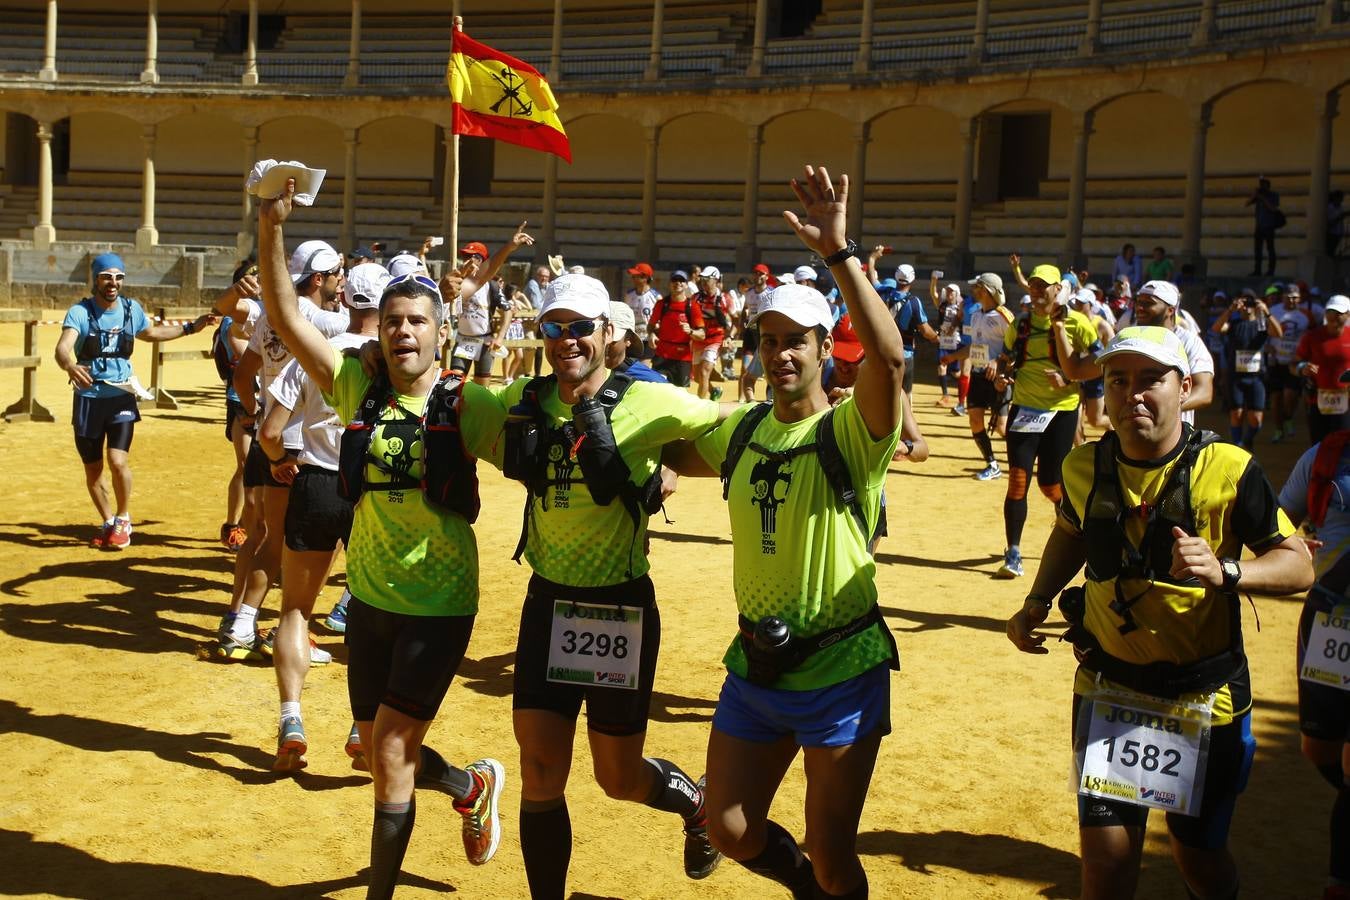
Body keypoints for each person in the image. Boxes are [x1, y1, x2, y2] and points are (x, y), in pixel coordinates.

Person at [256, 177, 506, 897]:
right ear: (379, 329)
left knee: (392, 746)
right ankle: (468, 784)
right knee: (376, 751)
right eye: (393, 320)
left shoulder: (470, 403)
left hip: (439, 602)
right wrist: (271, 224)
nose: (403, 331)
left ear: (441, 331)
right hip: (367, 599)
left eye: (418, 321)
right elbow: (285, 316)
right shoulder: (355, 387)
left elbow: (544, 431)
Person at [664, 164, 905, 900]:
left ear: (825, 344)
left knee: (835, 851)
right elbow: (669, 450)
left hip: (840, 669)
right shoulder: (739, 430)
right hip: (758, 668)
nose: (781, 355)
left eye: (796, 340)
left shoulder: (851, 431)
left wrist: (839, 254)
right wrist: (652, 467)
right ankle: (805, 889)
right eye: (768, 341)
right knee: (729, 828)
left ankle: (824, 886)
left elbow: (892, 361)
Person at [1007, 325, 1312, 900]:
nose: (1132, 394)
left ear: (1186, 388)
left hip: (1204, 696)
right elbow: (1070, 534)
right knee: (1105, 862)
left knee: (1198, 856)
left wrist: (1229, 572)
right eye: (1118, 381)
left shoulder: (1228, 468)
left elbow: (1297, 565)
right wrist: (1036, 600)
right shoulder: (1081, 467)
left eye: (1151, 379)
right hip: (1108, 688)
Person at [488, 273, 726, 898]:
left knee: (617, 778)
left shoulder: (649, 400)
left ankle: (696, 806)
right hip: (547, 598)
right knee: (540, 769)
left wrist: (672, 461)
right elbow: (445, 400)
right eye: (553, 327)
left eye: (579, 327)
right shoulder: (524, 397)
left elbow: (728, 426)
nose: (565, 339)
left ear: (609, 333)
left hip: (617, 609)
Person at [257, 261, 387, 772]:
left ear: (346, 298)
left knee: (295, 610)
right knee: (374, 615)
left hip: (313, 483)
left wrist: (277, 462)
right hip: (372, 492)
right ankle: (362, 725)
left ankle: (291, 716)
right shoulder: (393, 362)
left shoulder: (317, 356)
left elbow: (270, 431)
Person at [215, 240, 351, 661]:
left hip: (267, 437)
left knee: (266, 536)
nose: (340, 282)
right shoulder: (323, 322)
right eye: (335, 275)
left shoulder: (273, 315)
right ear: (318, 278)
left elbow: (243, 377)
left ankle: (239, 621)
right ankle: (291, 629)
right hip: (299, 446)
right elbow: (364, 324)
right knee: (313, 544)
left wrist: (254, 418)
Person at [54, 252, 215, 549]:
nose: (113, 282)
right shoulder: (80, 312)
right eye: (106, 276)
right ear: (96, 279)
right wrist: (70, 365)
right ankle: (108, 521)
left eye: (118, 277)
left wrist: (191, 327)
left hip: (122, 395)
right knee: (93, 469)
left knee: (118, 460)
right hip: (89, 399)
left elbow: (151, 332)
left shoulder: (131, 309)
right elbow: (63, 347)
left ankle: (124, 518)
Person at [993, 263, 1102, 578]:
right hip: (1024, 410)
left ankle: (1070, 530)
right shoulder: (1021, 324)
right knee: (1017, 482)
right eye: (1034, 284)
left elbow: (1098, 362)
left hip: (1061, 413)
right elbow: (1006, 360)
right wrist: (1001, 378)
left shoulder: (1078, 323)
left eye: (1044, 285)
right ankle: (1013, 552)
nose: (1037, 290)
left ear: (1058, 289)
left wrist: (1069, 381)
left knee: (1051, 484)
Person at [1277, 431, 1350, 900]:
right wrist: (1292, 545)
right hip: (1331, 621)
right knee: (1319, 749)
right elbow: (1280, 518)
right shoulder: (1326, 456)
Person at [947, 272, 1015, 480]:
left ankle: (1024, 459)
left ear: (985, 290)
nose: (972, 291)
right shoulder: (976, 314)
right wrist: (951, 358)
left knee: (1003, 428)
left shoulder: (1005, 316)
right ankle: (992, 464)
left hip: (998, 380)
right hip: (978, 376)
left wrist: (998, 363)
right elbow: (974, 347)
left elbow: (1017, 347)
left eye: (976, 287)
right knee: (975, 421)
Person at [450, 228, 533, 386]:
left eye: (472, 257)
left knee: (482, 389)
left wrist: (500, 337)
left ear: (482, 261)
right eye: (465, 256)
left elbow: (507, 311)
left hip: (484, 342)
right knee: (453, 384)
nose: (467, 260)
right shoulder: (457, 281)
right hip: (462, 341)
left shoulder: (492, 286)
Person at [1126, 281, 1215, 428]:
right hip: (1132, 432)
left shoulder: (1188, 341)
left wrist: (1163, 407)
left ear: (1170, 310)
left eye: (1149, 303)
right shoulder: (1128, 337)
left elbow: (1204, 392)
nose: (1139, 308)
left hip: (1175, 438)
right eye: (1139, 302)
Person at [1210, 291, 1281, 450]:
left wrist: (1267, 312)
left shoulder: (1262, 325)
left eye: (1251, 303)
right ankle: (1238, 445)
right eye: (1245, 302)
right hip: (1236, 376)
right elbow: (1216, 328)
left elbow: (1278, 333)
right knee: (1237, 414)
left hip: (1256, 377)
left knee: (1256, 418)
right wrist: (1230, 310)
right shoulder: (1234, 324)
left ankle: (1248, 439)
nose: (1248, 306)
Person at [868, 252, 936, 395]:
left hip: (882, 350)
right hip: (904, 353)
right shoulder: (914, 302)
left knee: (882, 391)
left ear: (896, 277)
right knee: (904, 393)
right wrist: (937, 338)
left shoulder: (883, 292)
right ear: (912, 279)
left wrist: (872, 258)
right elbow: (925, 330)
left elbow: (872, 279)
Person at [1296, 295, 1350, 445]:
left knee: (1343, 443)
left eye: (1338, 313)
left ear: (1348, 315)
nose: (1333, 317)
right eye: (1330, 312)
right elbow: (1295, 363)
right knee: (1319, 444)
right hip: (1317, 400)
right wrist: (1302, 369)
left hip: (1346, 401)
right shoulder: (1312, 337)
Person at [1068, 288, 1115, 444]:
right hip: (1077, 374)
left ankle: (1113, 429)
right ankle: (1080, 450)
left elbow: (1113, 352)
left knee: (1094, 420)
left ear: (1091, 304)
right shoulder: (1074, 322)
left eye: (1082, 302)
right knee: (1074, 416)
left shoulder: (1102, 325)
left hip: (1096, 377)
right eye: (1076, 302)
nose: (1077, 304)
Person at [1268, 283, 1313, 443]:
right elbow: (1262, 332)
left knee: (1290, 397)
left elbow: (1311, 336)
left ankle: (1288, 418)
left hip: (1294, 363)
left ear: (1299, 298)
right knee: (1275, 399)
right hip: (1276, 362)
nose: (1291, 300)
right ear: (1283, 297)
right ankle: (1278, 430)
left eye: (1295, 297)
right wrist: (1267, 348)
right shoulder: (1273, 311)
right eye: (1288, 297)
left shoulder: (1306, 315)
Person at [648, 270, 705, 387]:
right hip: (662, 355)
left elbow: (702, 334)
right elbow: (651, 325)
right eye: (674, 280)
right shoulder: (662, 304)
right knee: (657, 388)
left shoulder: (692, 306)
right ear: (669, 283)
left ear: (686, 285)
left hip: (682, 358)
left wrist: (691, 331)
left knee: (680, 393)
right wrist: (651, 334)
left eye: (681, 280)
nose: (678, 283)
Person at [693, 266, 733, 400]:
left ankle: (700, 406)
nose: (704, 282)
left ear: (716, 280)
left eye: (707, 279)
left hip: (715, 339)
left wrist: (729, 336)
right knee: (697, 376)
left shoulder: (725, 299)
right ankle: (714, 390)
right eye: (702, 279)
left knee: (704, 372)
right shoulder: (696, 298)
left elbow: (735, 321)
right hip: (698, 339)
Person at [606, 301, 666, 383]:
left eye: (611, 336)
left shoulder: (652, 383)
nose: (604, 343)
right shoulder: (583, 373)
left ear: (628, 339)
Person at [740, 263, 771, 401]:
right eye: (756, 273)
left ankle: (769, 399)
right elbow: (745, 310)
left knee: (767, 368)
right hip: (750, 333)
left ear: (766, 276)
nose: (757, 276)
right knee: (745, 368)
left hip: (763, 333)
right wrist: (742, 326)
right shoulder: (749, 293)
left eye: (761, 273)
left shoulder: (770, 293)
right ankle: (743, 400)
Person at [1248, 177, 1283, 276]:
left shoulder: (1273, 195)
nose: (1261, 187)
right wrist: (1254, 195)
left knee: (1270, 249)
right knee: (1257, 250)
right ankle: (1257, 270)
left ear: (1268, 186)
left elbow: (1273, 208)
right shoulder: (1258, 196)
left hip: (1269, 226)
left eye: (1263, 185)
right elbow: (1247, 203)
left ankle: (1271, 271)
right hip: (1259, 226)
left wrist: (1263, 198)